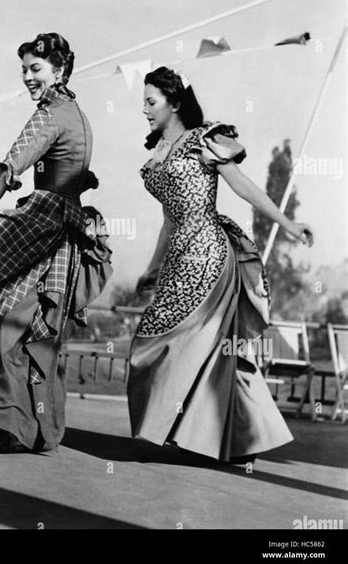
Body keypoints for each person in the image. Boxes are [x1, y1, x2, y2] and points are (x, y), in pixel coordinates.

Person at [0, 32, 113, 454]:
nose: (28, 78)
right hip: (65, 232)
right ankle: (7, 424)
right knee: (28, 328)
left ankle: (4, 425)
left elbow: (11, 162)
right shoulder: (78, 114)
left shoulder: (50, 114)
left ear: (60, 71)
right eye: (25, 70)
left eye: (36, 69)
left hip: (44, 226)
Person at [127, 66, 314, 464]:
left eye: (151, 101)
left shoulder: (203, 140)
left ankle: (222, 440)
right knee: (161, 344)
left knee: (192, 345)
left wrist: (288, 224)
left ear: (175, 103)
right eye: (143, 101)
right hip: (179, 255)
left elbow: (243, 185)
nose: (144, 109)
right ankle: (211, 437)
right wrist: (152, 267)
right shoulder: (157, 155)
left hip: (210, 254)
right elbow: (168, 218)